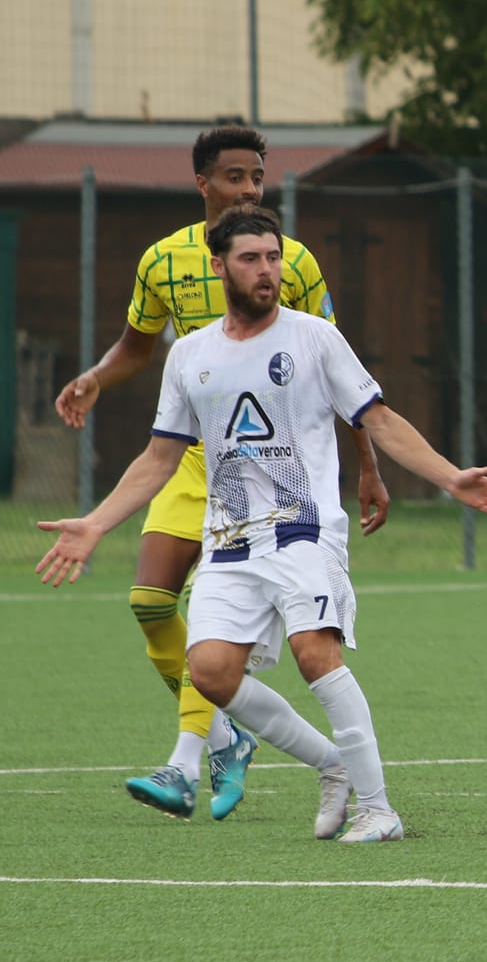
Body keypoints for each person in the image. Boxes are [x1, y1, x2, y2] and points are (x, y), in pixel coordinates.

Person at [36, 206, 487, 842]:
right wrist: (98, 523)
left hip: (304, 528)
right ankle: (333, 763)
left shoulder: (315, 339)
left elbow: (378, 418)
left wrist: (449, 475)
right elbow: (159, 457)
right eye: (250, 259)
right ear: (219, 267)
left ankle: (379, 810)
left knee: (314, 653)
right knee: (209, 672)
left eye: (273, 257)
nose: (267, 270)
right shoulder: (189, 355)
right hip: (230, 538)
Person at [52, 125, 391, 821]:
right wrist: (94, 378)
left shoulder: (290, 259)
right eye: (235, 178)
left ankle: (195, 753)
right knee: (151, 601)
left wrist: (367, 464)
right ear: (202, 183)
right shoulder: (165, 260)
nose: (249, 189)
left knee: (308, 649)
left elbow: (343, 375)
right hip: (192, 456)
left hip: (280, 478)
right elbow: (137, 347)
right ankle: (228, 732)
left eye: (257, 177)